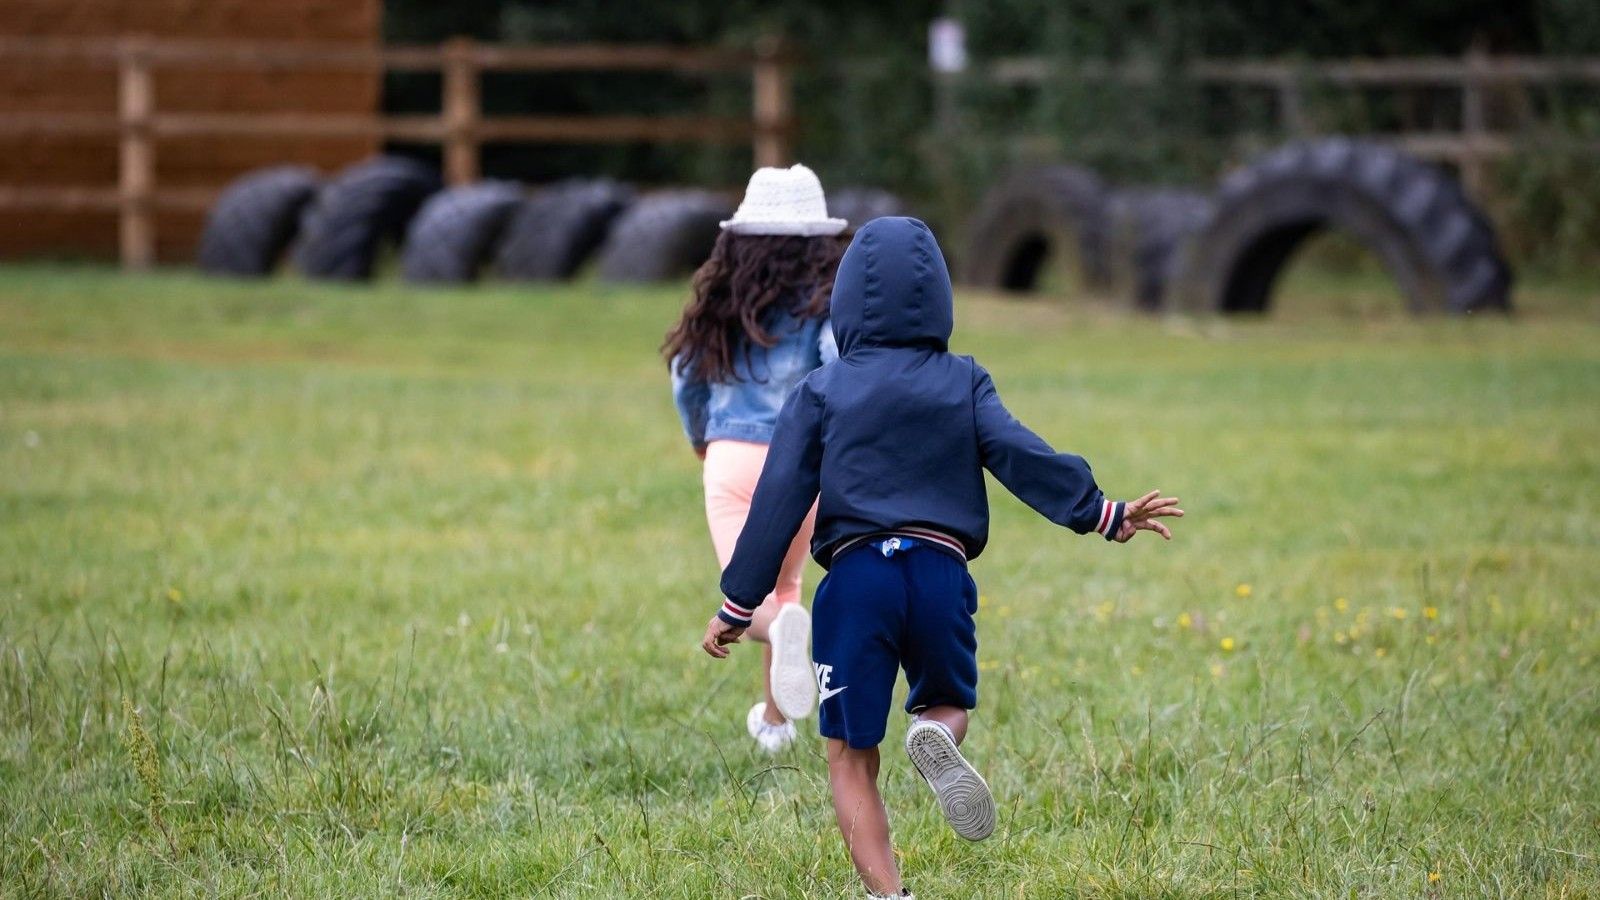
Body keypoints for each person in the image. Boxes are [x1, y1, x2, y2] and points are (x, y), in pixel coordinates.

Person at [698, 217, 1183, 898]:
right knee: (950, 698)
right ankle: (936, 735)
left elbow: (777, 502)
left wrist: (737, 601)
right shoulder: (963, 380)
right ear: (938, 299)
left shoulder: (821, 390)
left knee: (849, 754)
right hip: (938, 573)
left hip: (857, 582)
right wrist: (1100, 511)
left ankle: (890, 894)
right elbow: (1020, 453)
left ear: (845, 303)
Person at [667, 163, 850, 752]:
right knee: (786, 588)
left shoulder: (723, 299)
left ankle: (778, 701)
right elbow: (838, 364)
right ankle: (775, 724)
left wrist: (702, 437)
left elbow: (685, 375)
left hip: (732, 459)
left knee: (752, 601)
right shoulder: (826, 302)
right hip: (802, 469)